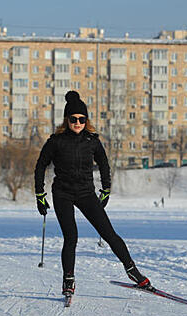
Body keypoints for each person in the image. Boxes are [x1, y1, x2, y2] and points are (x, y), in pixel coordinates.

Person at [34, 91, 151, 297]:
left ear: (86, 120)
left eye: (81, 119)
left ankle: (133, 271)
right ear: (66, 120)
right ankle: (68, 280)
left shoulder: (92, 141)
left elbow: (104, 165)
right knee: (71, 237)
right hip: (62, 193)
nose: (77, 122)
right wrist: (39, 195)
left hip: (85, 192)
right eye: (73, 119)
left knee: (109, 234)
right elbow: (40, 166)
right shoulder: (56, 141)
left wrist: (106, 189)